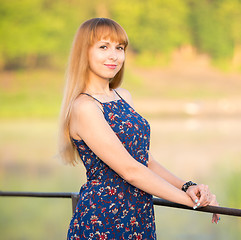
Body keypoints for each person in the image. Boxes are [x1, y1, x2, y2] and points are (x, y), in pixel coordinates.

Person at [59, 17, 219, 240]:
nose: (114, 55)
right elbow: (130, 171)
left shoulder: (123, 96)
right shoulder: (84, 107)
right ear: (83, 52)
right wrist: (193, 202)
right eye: (103, 47)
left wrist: (188, 186)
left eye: (120, 48)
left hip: (139, 214)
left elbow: (145, 161)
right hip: (103, 220)